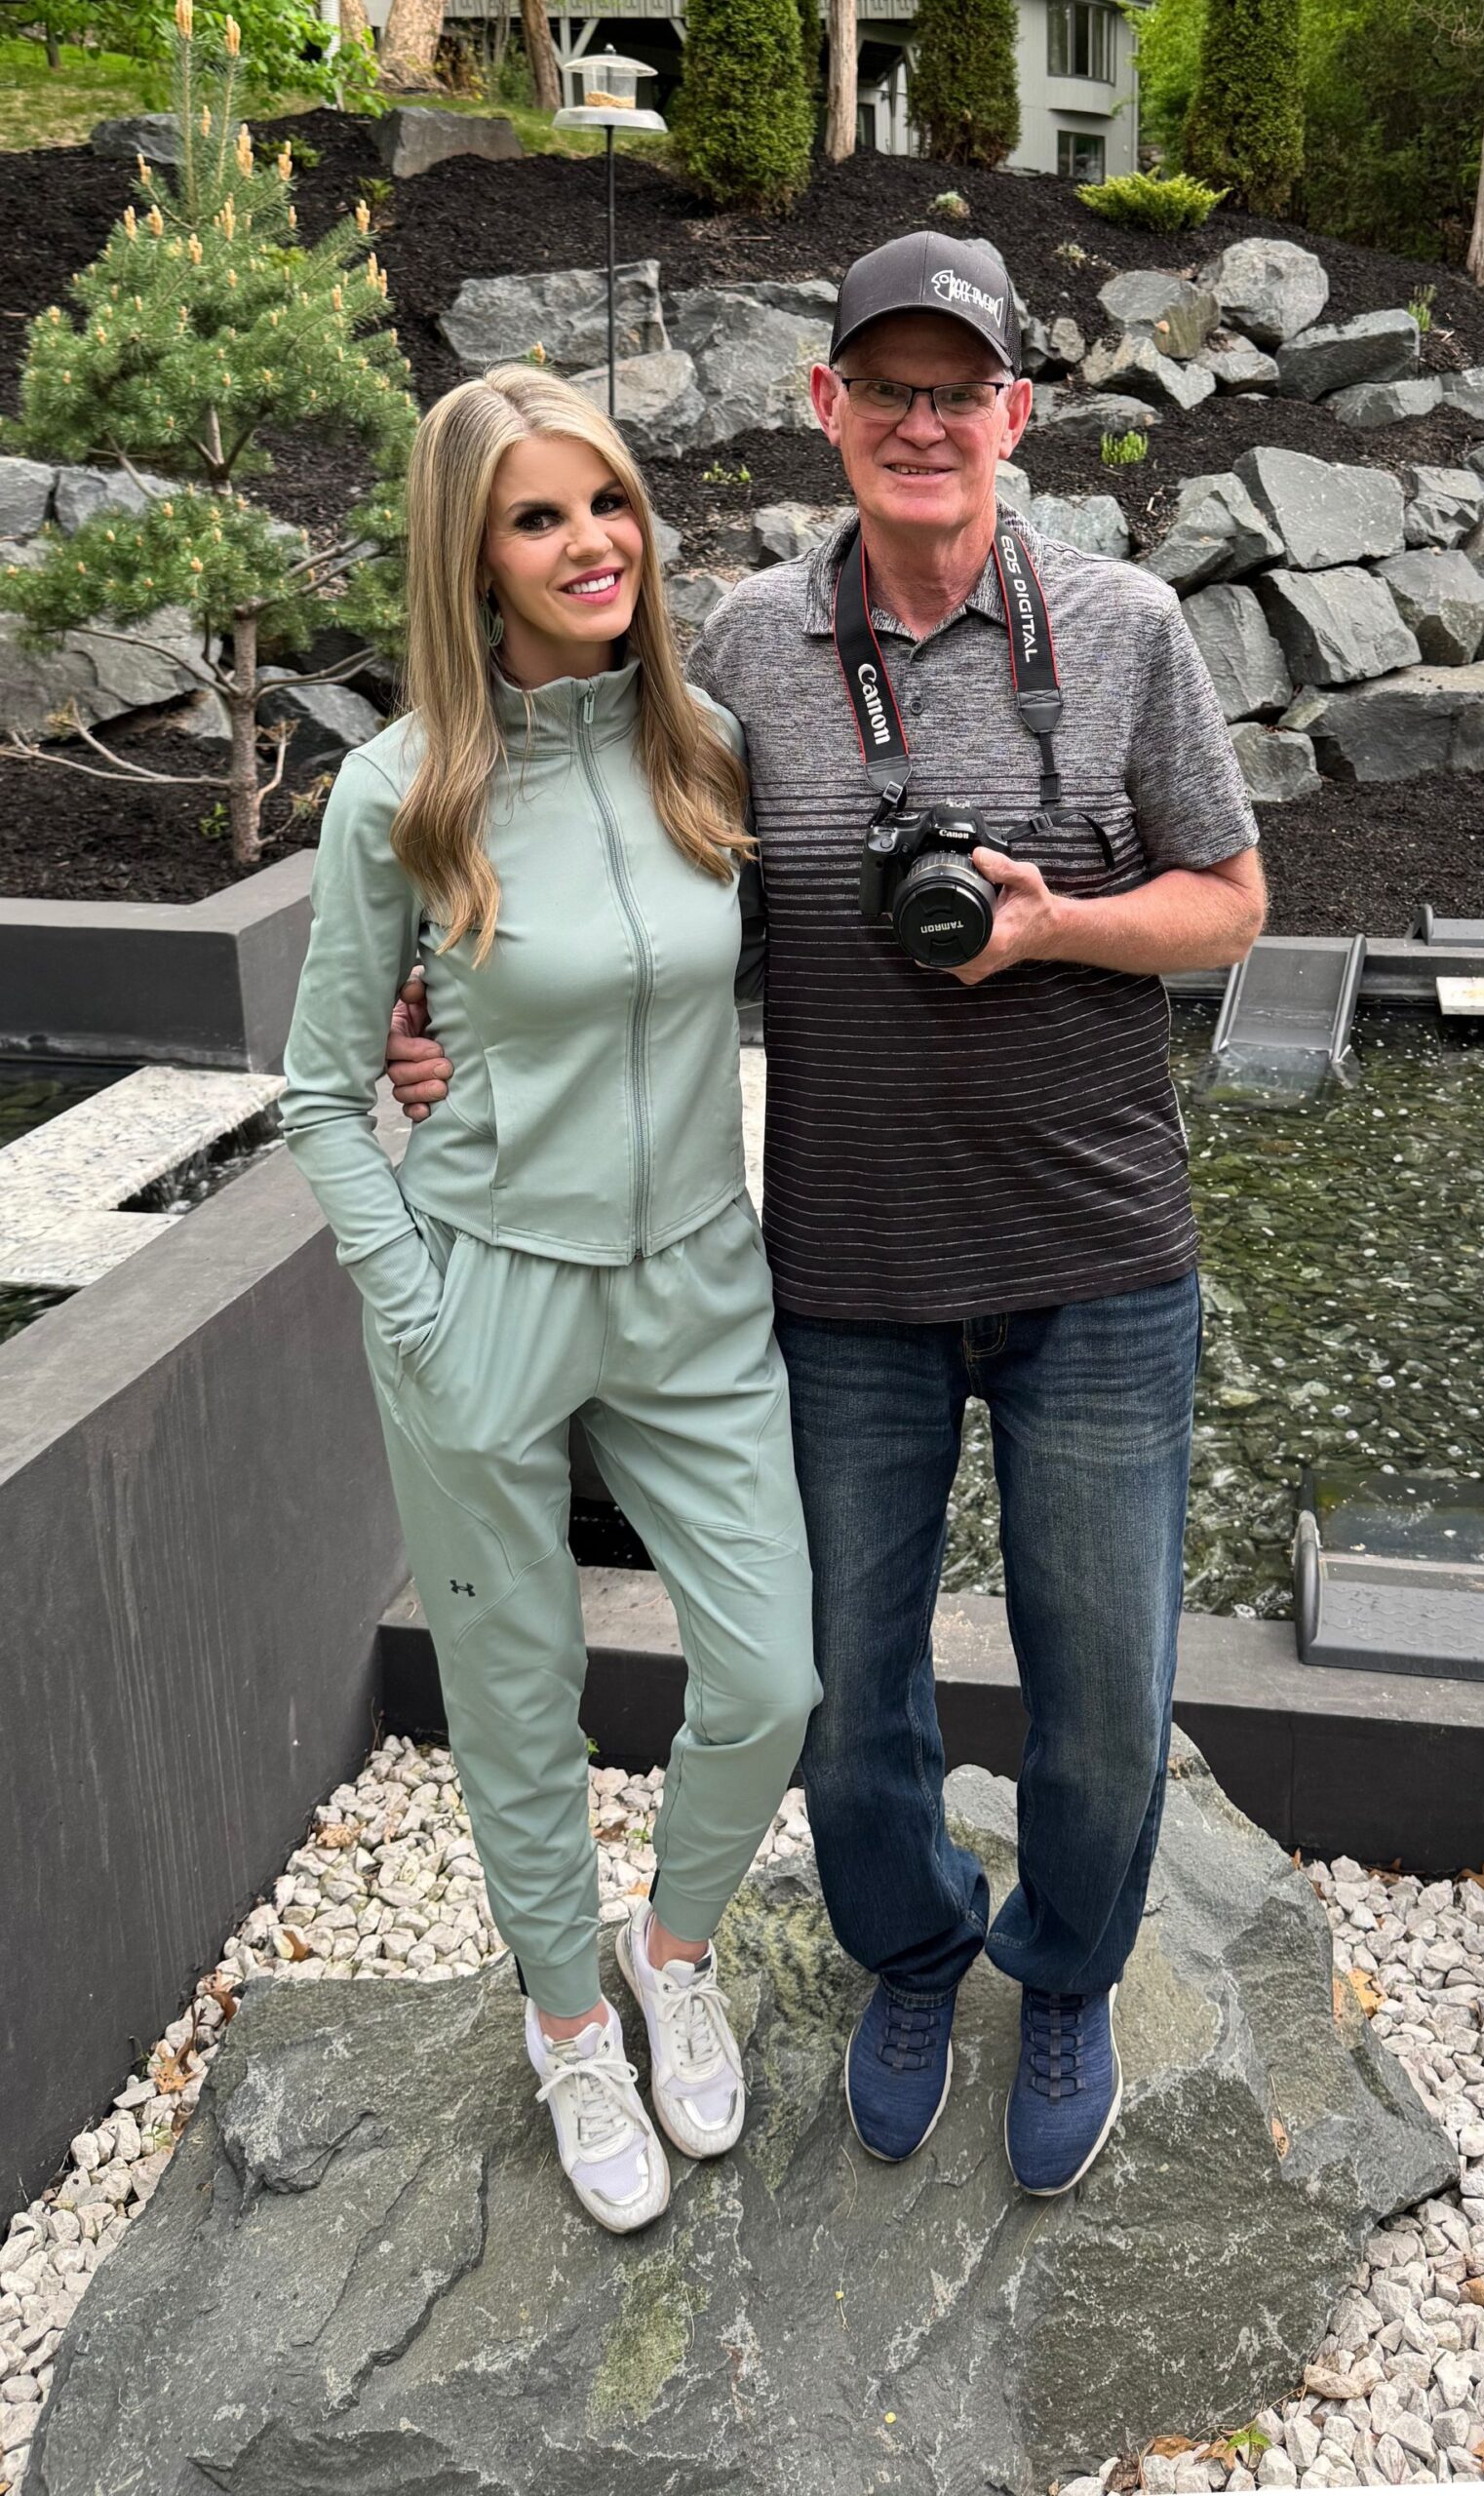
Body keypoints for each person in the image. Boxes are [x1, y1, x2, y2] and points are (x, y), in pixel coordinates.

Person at [386, 234, 1267, 2199]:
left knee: (1106, 1687)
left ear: (1017, 419)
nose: (927, 421)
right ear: (828, 410)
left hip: (1101, 1257)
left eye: (964, 390)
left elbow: (1231, 896)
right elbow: (589, 861)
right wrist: (441, 1022)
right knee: (843, 1694)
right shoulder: (741, 654)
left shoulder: (1123, 625)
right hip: (846, 1276)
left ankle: (1060, 1971)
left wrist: (1052, 918)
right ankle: (910, 1947)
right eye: (892, 387)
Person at [279, 366, 820, 2236]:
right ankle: (569, 2016)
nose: (591, 542)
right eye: (537, 516)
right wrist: (415, 1302)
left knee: (769, 1677)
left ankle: (674, 1950)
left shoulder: (705, 750)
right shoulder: (399, 794)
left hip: (695, 1288)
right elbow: (318, 1087)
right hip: (482, 1291)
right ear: (470, 556)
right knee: (516, 1703)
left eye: (608, 502)